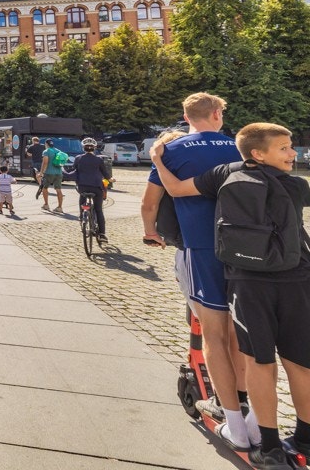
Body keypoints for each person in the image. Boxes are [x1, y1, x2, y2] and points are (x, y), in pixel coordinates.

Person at [151, 122, 310, 468]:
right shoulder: (298, 186)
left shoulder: (224, 174)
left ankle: (267, 446)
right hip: (297, 277)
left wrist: (157, 158)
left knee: (258, 361)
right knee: (300, 363)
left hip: (247, 279)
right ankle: (305, 438)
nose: (293, 153)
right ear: (258, 152)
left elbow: (176, 190)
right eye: (284, 148)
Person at [144, 92, 253, 450]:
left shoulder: (170, 151)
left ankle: (227, 410)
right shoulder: (240, 147)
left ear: (186, 116)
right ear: (218, 114)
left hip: (202, 247)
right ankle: (246, 402)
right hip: (248, 248)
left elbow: (150, 203)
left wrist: (151, 233)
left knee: (214, 333)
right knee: (241, 332)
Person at [64, 138, 112, 243]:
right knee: (99, 210)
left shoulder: (78, 158)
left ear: (83, 148)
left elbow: (74, 170)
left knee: (82, 200)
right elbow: (105, 172)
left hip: (83, 186)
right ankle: (102, 234)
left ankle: (82, 217)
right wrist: (110, 179)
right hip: (96, 187)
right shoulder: (99, 160)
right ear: (94, 148)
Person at [39, 139, 66, 213]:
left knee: (44, 188)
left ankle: (46, 205)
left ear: (46, 144)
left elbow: (45, 162)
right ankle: (60, 207)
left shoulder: (46, 151)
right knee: (58, 190)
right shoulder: (58, 150)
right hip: (59, 173)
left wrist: (41, 172)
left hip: (49, 173)